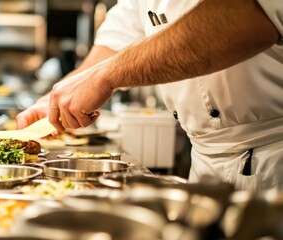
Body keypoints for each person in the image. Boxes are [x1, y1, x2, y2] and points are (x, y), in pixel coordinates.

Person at [16, 0, 283, 192]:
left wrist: (105, 76)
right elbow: (119, 37)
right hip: (204, 163)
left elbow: (247, 17)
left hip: (273, 159)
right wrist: (57, 99)